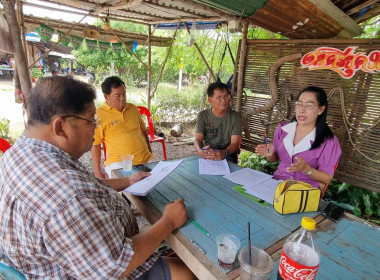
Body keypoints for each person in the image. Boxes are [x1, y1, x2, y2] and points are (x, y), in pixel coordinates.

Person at [0, 76, 195, 280]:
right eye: (91, 120)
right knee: (189, 273)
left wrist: (127, 181)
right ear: (60, 127)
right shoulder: (67, 194)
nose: (95, 128)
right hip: (101, 269)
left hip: (59, 262)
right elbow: (114, 267)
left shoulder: (22, 152)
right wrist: (168, 222)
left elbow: (84, 185)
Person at [255, 86, 341, 190]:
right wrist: (270, 153)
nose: (302, 110)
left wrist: (307, 169)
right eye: (299, 104)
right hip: (278, 184)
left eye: (308, 106)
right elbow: (273, 159)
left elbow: (326, 178)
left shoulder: (329, 141)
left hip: (303, 190)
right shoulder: (283, 129)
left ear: (321, 109)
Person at [92, 76, 154, 178]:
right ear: (106, 97)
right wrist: (97, 172)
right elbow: (95, 144)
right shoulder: (99, 114)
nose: (122, 98)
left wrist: (149, 151)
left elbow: (143, 131)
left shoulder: (132, 108)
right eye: (117, 95)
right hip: (119, 162)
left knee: (164, 181)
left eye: (124, 94)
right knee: (128, 189)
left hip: (146, 158)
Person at [194, 82, 242, 163]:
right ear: (210, 100)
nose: (223, 100)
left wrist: (224, 153)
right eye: (219, 97)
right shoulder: (202, 116)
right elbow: (198, 138)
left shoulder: (235, 117)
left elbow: (235, 144)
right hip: (208, 153)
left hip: (228, 154)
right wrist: (200, 150)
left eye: (226, 96)